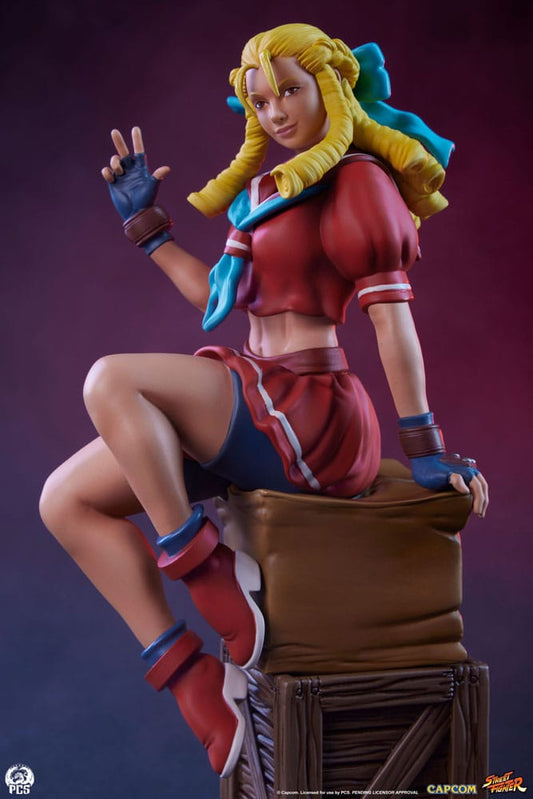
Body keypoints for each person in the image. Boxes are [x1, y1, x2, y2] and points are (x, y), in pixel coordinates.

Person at [39, 23, 488, 779]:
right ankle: (195, 686)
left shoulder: (358, 181)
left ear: (328, 88)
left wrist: (423, 443)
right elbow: (217, 298)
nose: (275, 112)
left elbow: (392, 321)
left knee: (110, 379)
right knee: (64, 501)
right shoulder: (265, 192)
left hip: (313, 414)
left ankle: (205, 575)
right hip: (252, 395)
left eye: (289, 91)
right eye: (259, 100)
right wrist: (147, 229)